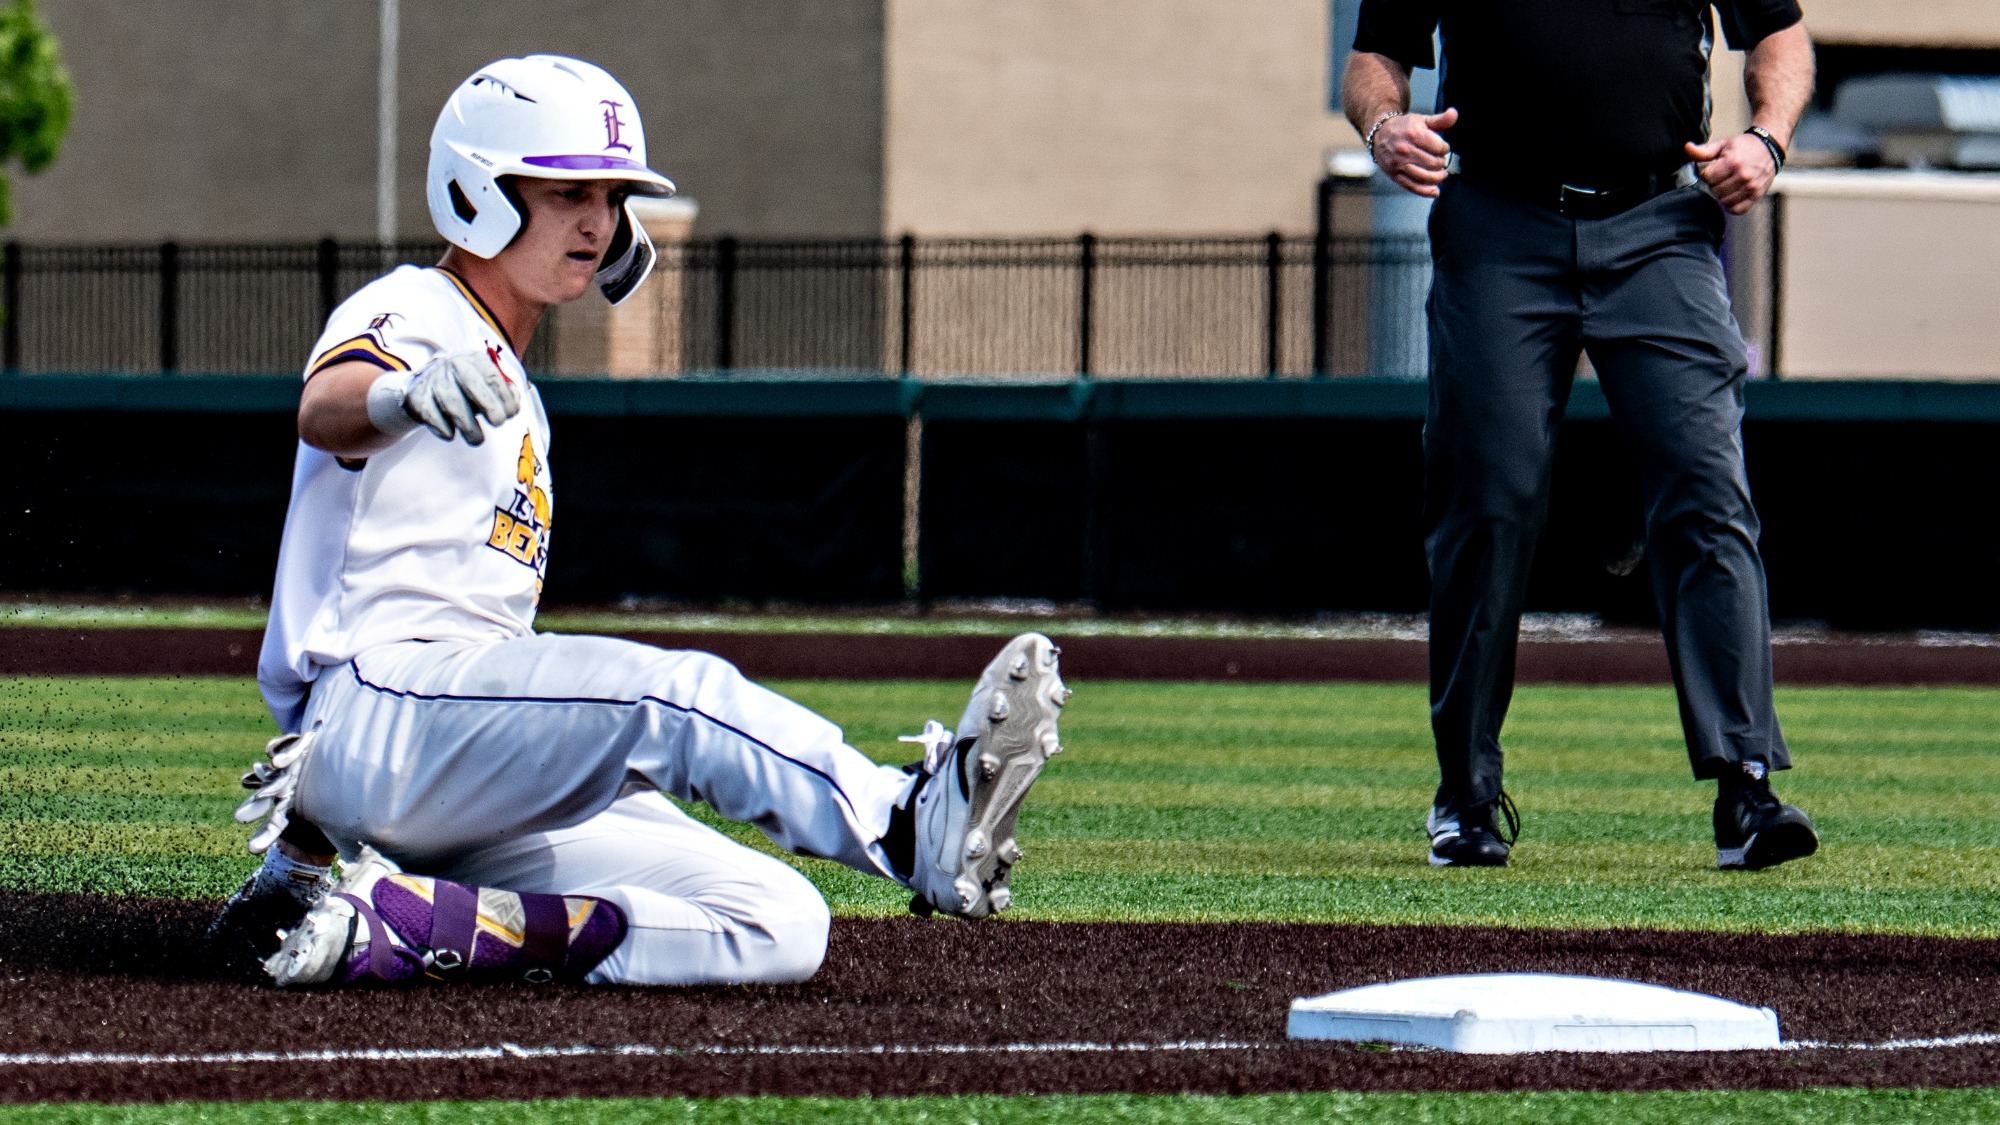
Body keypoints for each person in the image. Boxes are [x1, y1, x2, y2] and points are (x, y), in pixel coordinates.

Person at [207, 55, 1068, 988]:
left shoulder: (517, 385)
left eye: (613, 195)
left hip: (444, 764)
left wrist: (293, 864)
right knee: (671, 696)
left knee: (781, 922)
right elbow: (326, 405)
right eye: (569, 188)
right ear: (478, 188)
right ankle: (907, 823)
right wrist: (402, 392)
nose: (599, 219)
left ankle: (418, 924)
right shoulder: (417, 306)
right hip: (380, 709)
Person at [1341, 1, 1819, 869]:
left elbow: (1780, 37)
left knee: (1706, 487)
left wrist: (1767, 140)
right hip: (1497, 224)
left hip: (1660, 226)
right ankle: (1468, 792)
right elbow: (1374, 59)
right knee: (1488, 495)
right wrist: (1383, 127)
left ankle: (1745, 785)